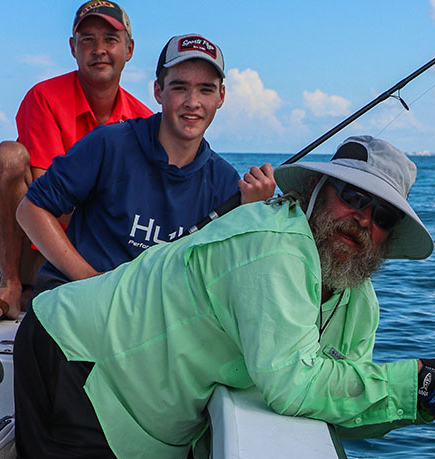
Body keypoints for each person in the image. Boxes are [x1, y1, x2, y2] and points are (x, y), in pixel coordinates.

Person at [0, 135, 435, 459]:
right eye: (352, 198)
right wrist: (417, 381)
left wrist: (422, 404)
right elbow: (293, 384)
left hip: (149, 396)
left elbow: (341, 401)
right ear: (316, 192)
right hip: (78, 355)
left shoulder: (358, 299)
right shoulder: (275, 246)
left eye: (381, 215)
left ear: (388, 237)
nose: (361, 220)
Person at [15, 34, 276, 291]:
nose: (192, 103)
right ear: (158, 91)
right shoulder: (110, 143)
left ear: (221, 97)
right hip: (75, 300)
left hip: (151, 318)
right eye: (179, 88)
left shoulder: (225, 182)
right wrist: (91, 281)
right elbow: (30, 209)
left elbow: (233, 275)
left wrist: (253, 216)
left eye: (205, 90)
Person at [0, 0, 152, 322]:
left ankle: (41, 292)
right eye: (87, 40)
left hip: (92, 250)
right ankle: (11, 285)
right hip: (30, 240)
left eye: (110, 40)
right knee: (8, 156)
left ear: (130, 49)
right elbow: (48, 199)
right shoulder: (44, 97)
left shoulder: (145, 120)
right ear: (72, 48)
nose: (99, 49)